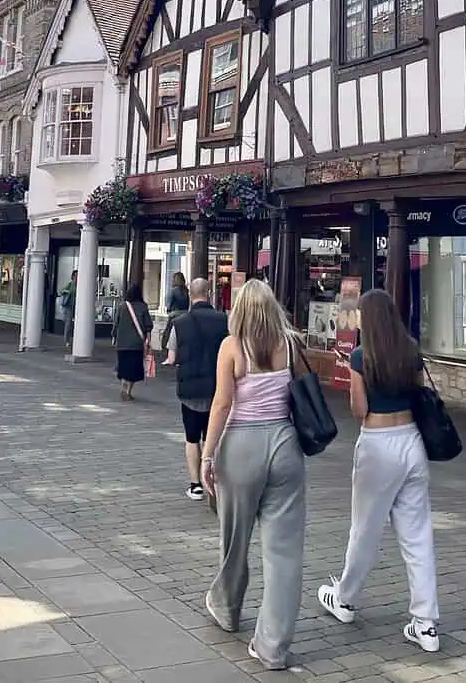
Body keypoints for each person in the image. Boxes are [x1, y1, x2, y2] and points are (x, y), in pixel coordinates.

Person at [317, 288, 440, 653]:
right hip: (412, 441)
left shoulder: (361, 356)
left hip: (378, 443)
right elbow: (419, 396)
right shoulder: (411, 351)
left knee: (365, 530)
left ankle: (344, 597)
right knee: (417, 535)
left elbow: (359, 410)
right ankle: (426, 624)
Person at [200, 279, 305, 671]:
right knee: (284, 551)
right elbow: (299, 394)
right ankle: (272, 646)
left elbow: (222, 403)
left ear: (240, 310)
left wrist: (208, 455)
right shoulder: (290, 345)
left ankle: (227, 608)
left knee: (235, 536)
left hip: (241, 447)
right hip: (285, 445)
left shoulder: (232, 347)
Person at [164, 277, 227, 500]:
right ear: (209, 294)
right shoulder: (224, 320)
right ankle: (214, 481)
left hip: (189, 389)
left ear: (190, 295)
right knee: (214, 437)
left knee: (192, 438)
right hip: (218, 389)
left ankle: (196, 485)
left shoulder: (180, 323)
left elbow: (172, 357)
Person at [113, 282, 153, 401]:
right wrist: (148, 341)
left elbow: (116, 324)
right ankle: (128, 391)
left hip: (122, 343)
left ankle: (123, 386)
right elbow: (148, 326)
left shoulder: (122, 306)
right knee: (134, 369)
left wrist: (114, 336)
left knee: (123, 367)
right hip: (137, 344)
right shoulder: (143, 307)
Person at [160, 271, 190, 351]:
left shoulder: (173, 290)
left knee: (168, 332)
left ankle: (164, 347)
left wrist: (168, 309)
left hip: (174, 314)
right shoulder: (186, 291)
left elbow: (168, 303)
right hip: (184, 314)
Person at [60, 270, 77, 348]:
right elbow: (61, 291)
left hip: (76, 306)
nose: (77, 277)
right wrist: (67, 291)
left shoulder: (80, 285)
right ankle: (67, 340)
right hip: (69, 306)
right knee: (68, 324)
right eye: (75, 276)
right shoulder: (70, 284)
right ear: (73, 276)